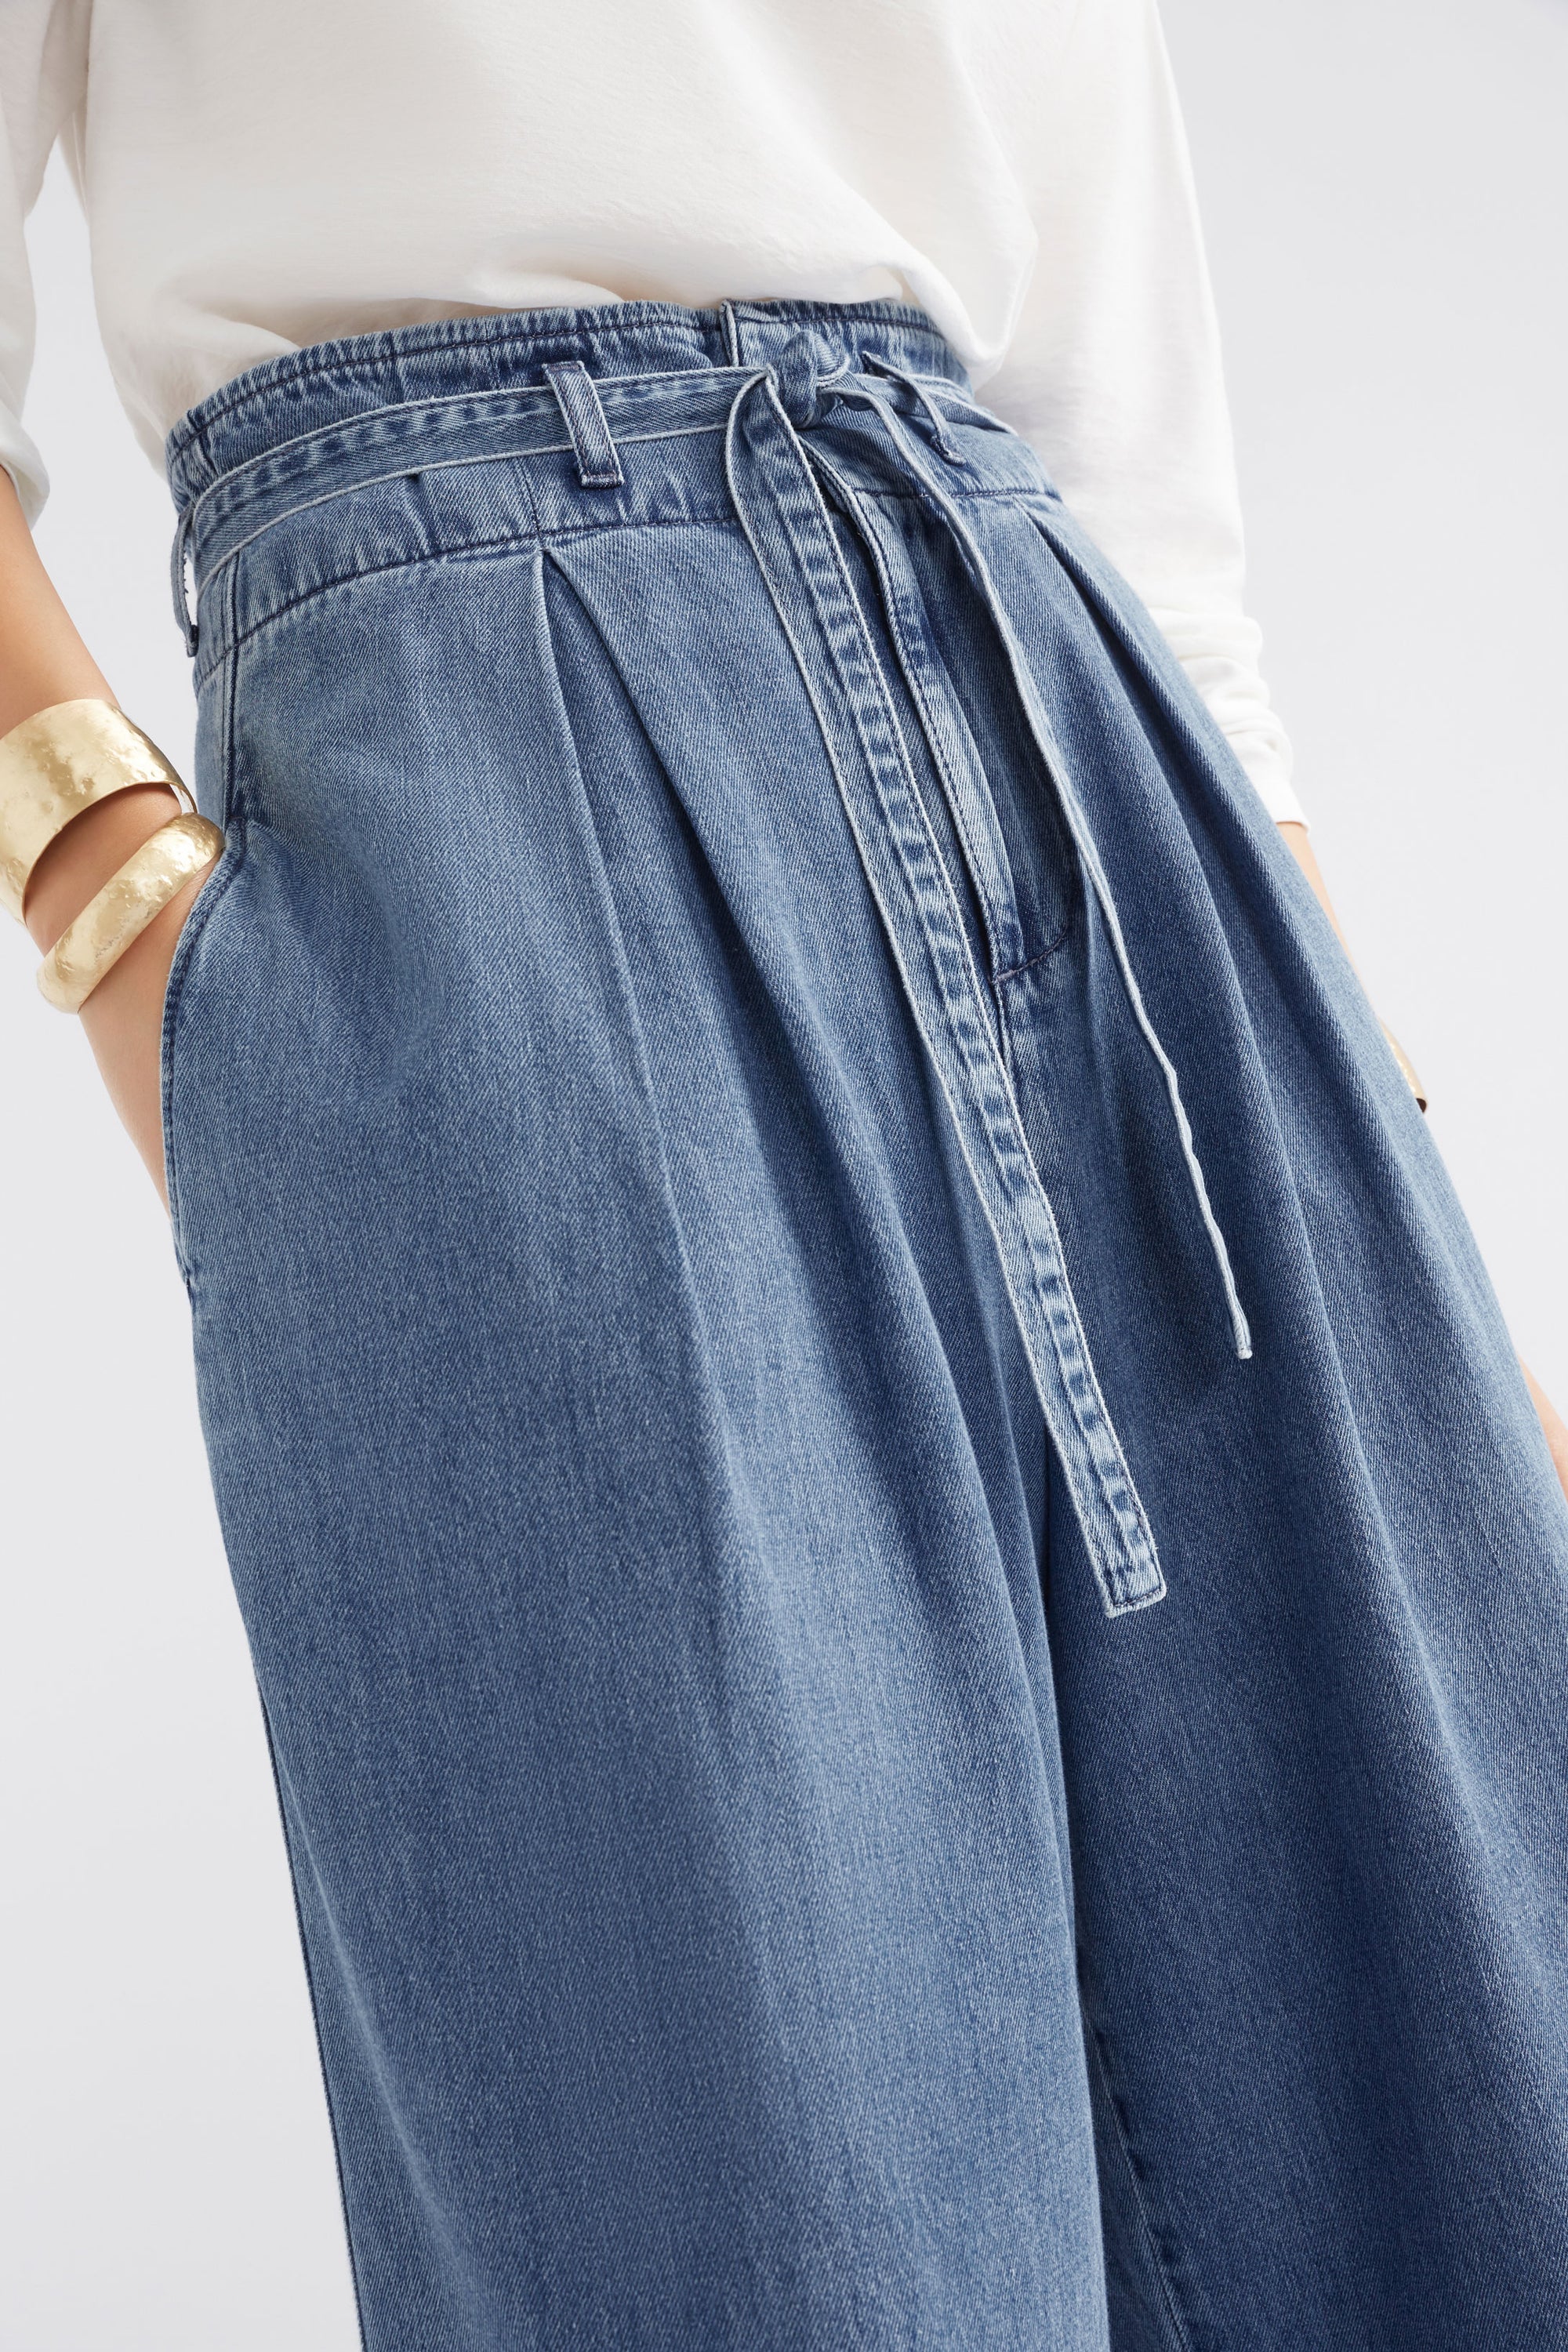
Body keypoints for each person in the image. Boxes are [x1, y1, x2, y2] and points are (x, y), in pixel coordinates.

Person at [3, 3, 1566, 2346]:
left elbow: (1154, 519)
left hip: (1101, 778)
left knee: (1467, 2136)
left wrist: (1417, 1255)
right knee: (789, 2244)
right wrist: (125, 914)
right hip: (504, 802)